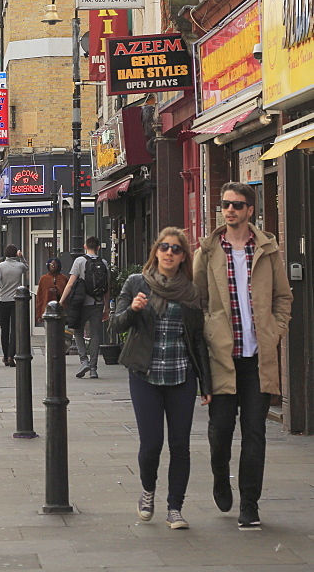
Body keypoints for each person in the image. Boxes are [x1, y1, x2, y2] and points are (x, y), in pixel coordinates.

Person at [193, 181, 292, 530]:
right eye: (225, 204)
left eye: (237, 204)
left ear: (251, 210)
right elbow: (198, 300)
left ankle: (250, 503)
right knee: (220, 431)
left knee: (255, 433)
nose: (230, 210)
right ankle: (221, 476)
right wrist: (207, 332)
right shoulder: (206, 251)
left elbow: (283, 297)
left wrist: (275, 330)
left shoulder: (268, 249)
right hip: (222, 358)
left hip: (257, 359)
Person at [112, 227, 212, 531]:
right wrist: (133, 309)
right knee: (152, 443)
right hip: (145, 374)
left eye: (176, 249)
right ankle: (147, 490)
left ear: (183, 257)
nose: (170, 253)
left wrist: (206, 384)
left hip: (181, 376)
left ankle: (175, 508)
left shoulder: (191, 293)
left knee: (180, 444)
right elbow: (115, 326)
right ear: (156, 251)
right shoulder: (136, 284)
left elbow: (198, 340)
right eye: (165, 247)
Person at [59, 237, 110, 379]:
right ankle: (93, 368)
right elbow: (107, 287)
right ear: (99, 247)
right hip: (98, 304)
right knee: (95, 335)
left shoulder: (79, 261)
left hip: (81, 304)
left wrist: (61, 301)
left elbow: (70, 284)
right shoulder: (104, 263)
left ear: (85, 246)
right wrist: (107, 307)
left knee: (77, 331)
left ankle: (84, 361)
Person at [0, 245, 28, 366]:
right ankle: (11, 355)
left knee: (4, 330)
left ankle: (5, 356)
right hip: (16, 301)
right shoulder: (20, 266)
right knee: (15, 329)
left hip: (3, 301)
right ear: (16, 253)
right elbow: (26, 267)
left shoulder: (1, 266)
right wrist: (22, 257)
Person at [35, 257, 67, 325]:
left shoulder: (63, 278)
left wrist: (58, 292)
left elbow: (67, 294)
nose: (53, 266)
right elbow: (40, 297)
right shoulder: (43, 279)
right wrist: (38, 312)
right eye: (51, 264)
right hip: (46, 309)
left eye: (55, 264)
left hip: (60, 309)